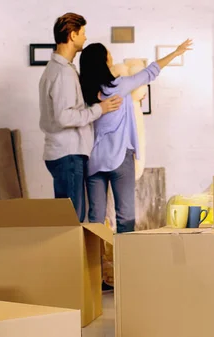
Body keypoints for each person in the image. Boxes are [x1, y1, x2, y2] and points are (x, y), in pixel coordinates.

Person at [79, 39, 193, 233]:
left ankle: (92, 261)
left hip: (94, 160)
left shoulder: (83, 93)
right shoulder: (119, 86)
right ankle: (125, 260)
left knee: (95, 219)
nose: (112, 57)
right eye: (108, 55)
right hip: (119, 157)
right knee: (125, 216)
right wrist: (175, 53)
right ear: (103, 61)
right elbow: (150, 72)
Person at [39, 12, 123, 222]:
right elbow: (64, 117)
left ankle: (67, 255)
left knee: (68, 217)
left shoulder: (58, 69)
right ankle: (70, 256)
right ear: (72, 34)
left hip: (62, 152)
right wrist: (100, 109)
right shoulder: (63, 73)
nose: (85, 38)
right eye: (83, 33)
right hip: (68, 153)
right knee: (72, 219)